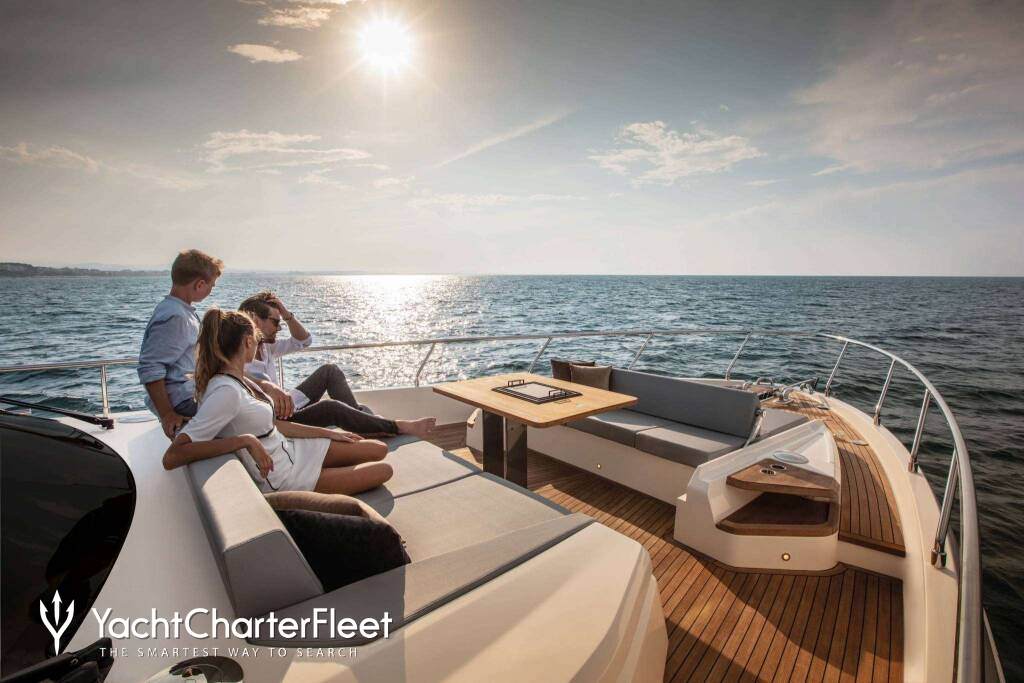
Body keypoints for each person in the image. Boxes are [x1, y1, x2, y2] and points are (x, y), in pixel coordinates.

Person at [162, 308, 393, 495]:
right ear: (247, 342)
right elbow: (173, 456)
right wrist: (244, 441)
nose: (259, 343)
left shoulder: (241, 379)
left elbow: (274, 426)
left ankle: (329, 464)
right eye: (256, 338)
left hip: (292, 449)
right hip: (283, 476)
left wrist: (328, 434)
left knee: (378, 449)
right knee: (384, 470)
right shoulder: (225, 392)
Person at [238, 291, 436, 438]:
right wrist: (267, 386)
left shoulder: (267, 348)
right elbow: (229, 372)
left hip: (287, 406)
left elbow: (304, 340)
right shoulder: (236, 354)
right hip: (277, 418)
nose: (279, 328)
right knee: (330, 408)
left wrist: (286, 313)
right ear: (255, 320)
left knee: (329, 371)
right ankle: (396, 426)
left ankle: (363, 421)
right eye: (275, 322)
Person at [138, 249, 223, 438]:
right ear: (200, 284)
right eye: (212, 286)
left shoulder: (179, 311)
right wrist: (167, 414)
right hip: (183, 401)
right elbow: (150, 367)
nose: (211, 291)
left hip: (189, 393)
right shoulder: (176, 317)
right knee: (248, 410)